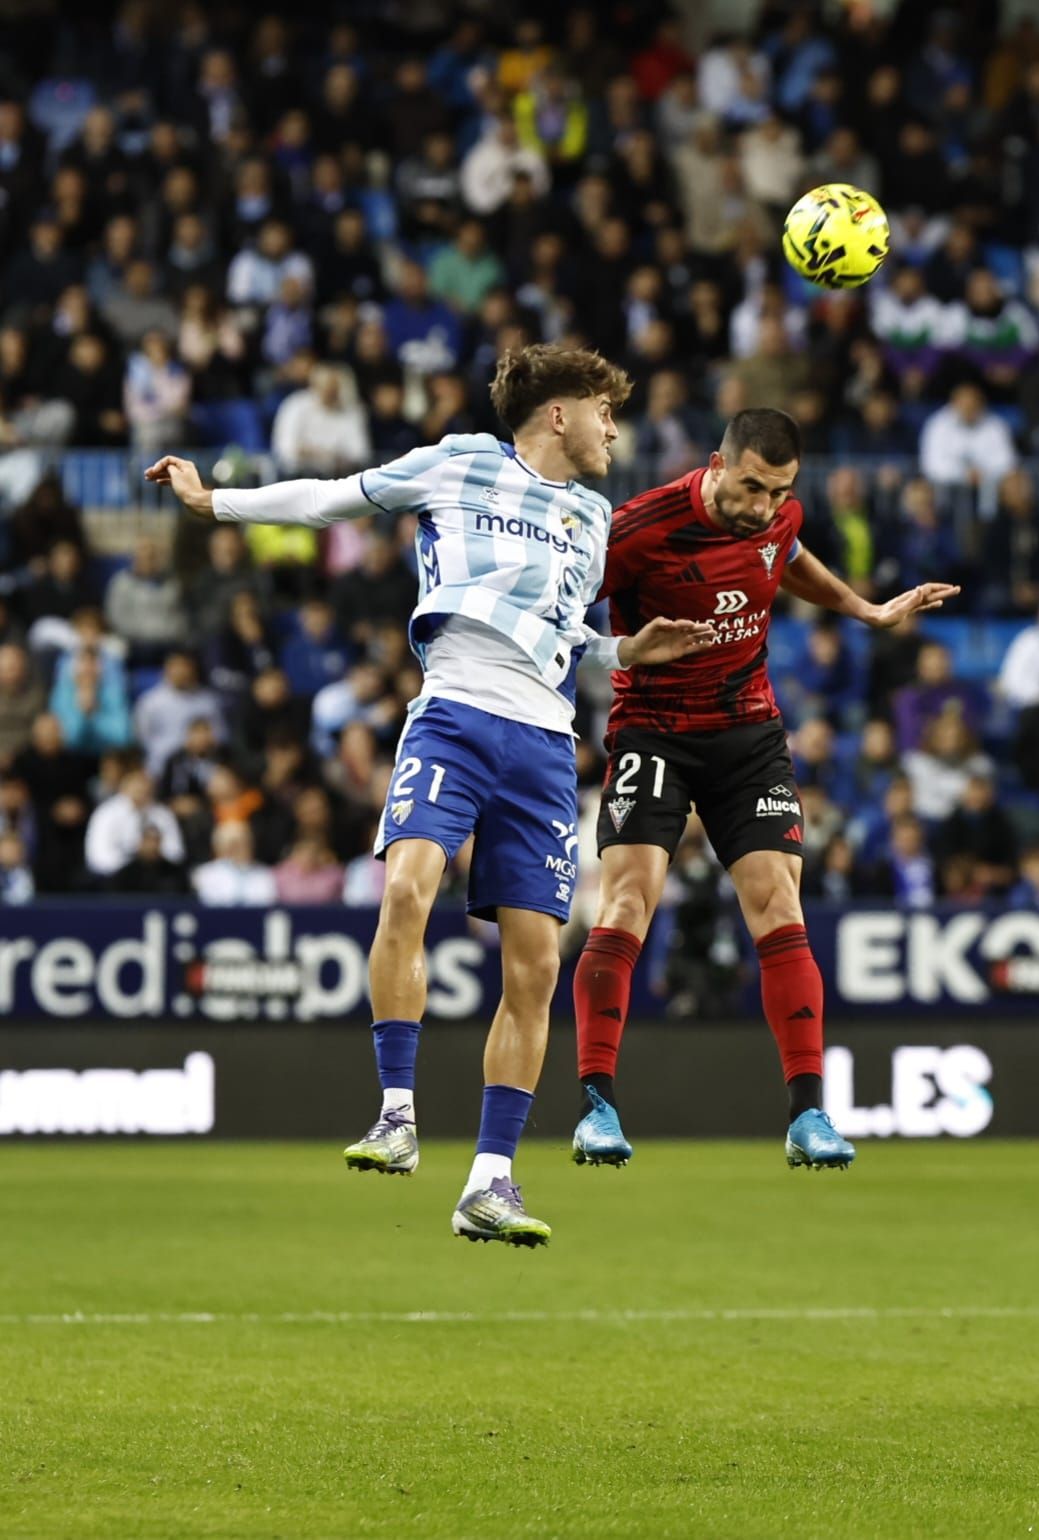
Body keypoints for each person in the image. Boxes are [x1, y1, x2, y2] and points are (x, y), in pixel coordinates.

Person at [144, 344, 714, 1247]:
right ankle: (397, 1114)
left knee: (535, 963)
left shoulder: (593, 515)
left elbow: (571, 635)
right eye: (604, 411)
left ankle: (492, 1181)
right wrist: (215, 500)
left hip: (543, 746)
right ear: (558, 414)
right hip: (452, 714)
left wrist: (626, 652)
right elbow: (330, 495)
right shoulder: (458, 462)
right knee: (407, 889)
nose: (615, 428)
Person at [571, 408, 959, 1171]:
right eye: (749, 487)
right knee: (627, 902)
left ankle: (808, 1115)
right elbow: (554, 611)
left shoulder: (778, 518)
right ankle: (596, 1105)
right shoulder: (638, 528)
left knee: (780, 905)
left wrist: (863, 609)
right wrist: (619, 647)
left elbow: (791, 551)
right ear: (716, 462)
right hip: (654, 727)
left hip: (748, 732)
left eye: (776, 492)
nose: (760, 507)